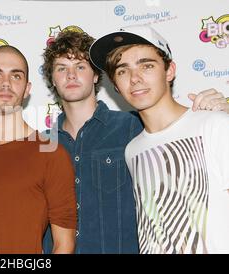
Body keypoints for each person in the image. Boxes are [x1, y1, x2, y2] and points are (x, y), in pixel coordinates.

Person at [42, 30, 229, 254]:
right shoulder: (40, 145)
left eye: (80, 66)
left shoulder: (133, 128)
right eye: (62, 68)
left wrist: (221, 114)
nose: (71, 75)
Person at [0, 45, 77, 254]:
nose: (6, 83)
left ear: (27, 89)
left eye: (16, 76)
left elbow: (65, 245)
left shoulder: (51, 153)